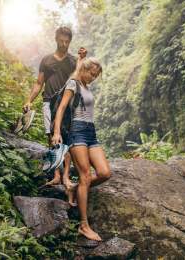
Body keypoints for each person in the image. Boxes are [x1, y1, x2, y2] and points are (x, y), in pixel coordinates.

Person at [52, 57, 111, 241]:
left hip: (90, 132)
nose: (93, 77)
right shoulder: (73, 83)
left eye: (95, 75)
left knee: (104, 173)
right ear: (83, 70)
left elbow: (81, 69)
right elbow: (61, 108)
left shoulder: (86, 86)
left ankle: (74, 189)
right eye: (91, 73)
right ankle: (83, 226)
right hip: (76, 131)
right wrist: (56, 133)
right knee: (85, 175)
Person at [23, 26, 86, 190]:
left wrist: (81, 60)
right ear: (56, 39)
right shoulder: (46, 60)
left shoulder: (73, 61)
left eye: (67, 41)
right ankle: (56, 175)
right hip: (47, 101)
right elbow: (39, 83)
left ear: (70, 41)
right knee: (51, 137)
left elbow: (77, 79)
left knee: (65, 137)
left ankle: (65, 176)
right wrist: (29, 100)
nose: (64, 44)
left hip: (65, 103)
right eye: (61, 41)